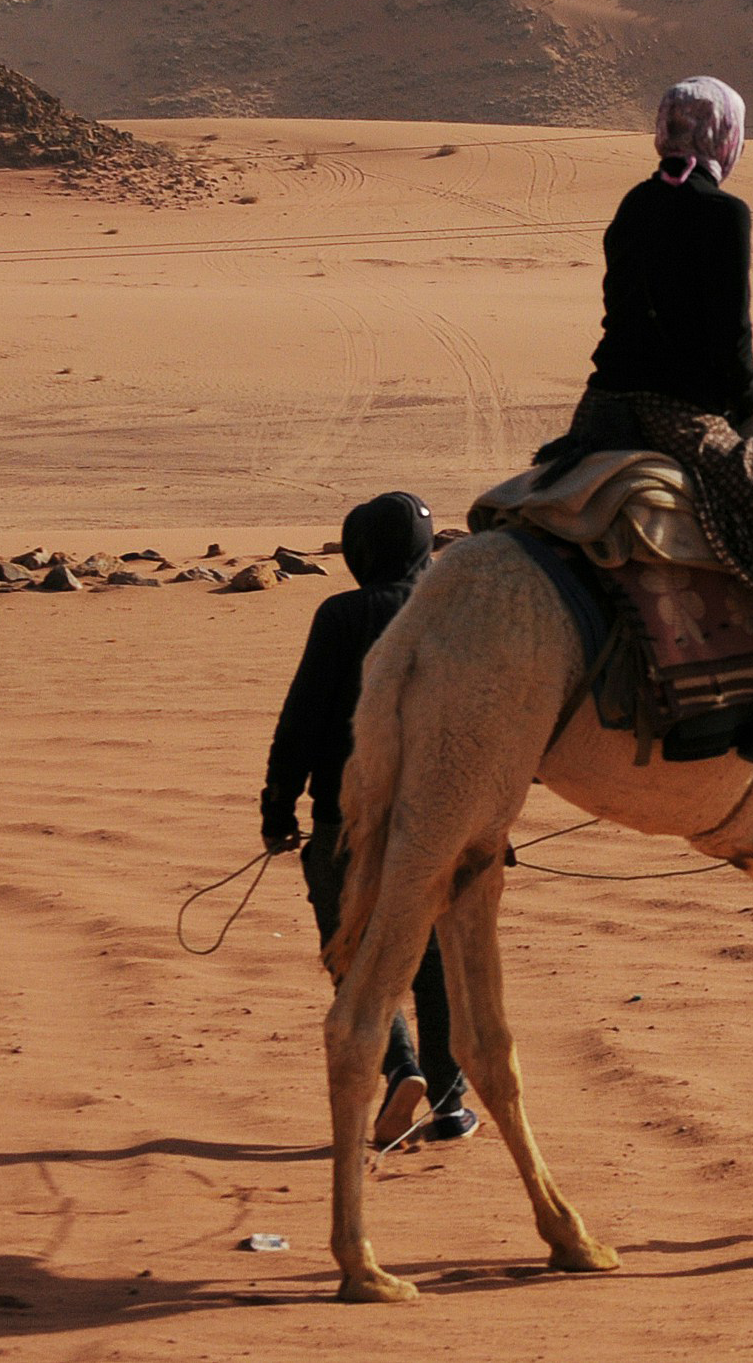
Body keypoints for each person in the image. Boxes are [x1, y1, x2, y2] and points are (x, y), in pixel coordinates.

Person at [540, 74, 753, 787]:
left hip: (599, 413)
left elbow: (628, 325)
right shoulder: (724, 215)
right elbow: (726, 345)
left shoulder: (631, 207)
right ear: (724, 136)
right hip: (675, 417)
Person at [260, 491, 476, 1147]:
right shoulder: (456, 616)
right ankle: (447, 1101)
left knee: (354, 954)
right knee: (436, 960)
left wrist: (278, 805)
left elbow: (304, 717)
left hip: (342, 822)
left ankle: (399, 1066)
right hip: (439, 824)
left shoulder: (342, 614)